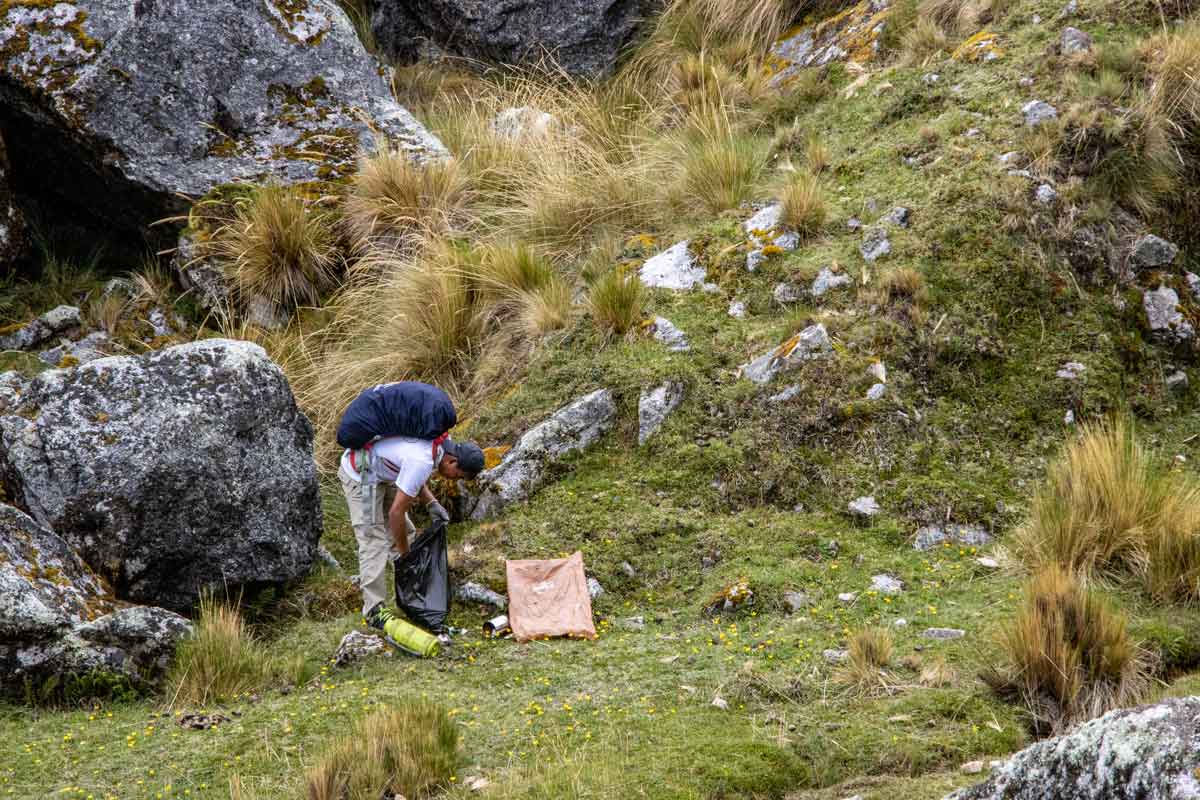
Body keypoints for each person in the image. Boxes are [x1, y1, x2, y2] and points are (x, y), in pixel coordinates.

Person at [340, 431, 485, 631]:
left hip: (384, 471)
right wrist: (405, 555)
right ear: (452, 462)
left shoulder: (443, 445)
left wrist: (431, 503)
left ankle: (409, 591)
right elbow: (396, 513)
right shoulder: (424, 459)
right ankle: (374, 610)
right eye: (458, 476)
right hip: (360, 473)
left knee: (406, 533)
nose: (454, 480)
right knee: (374, 542)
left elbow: (413, 474)